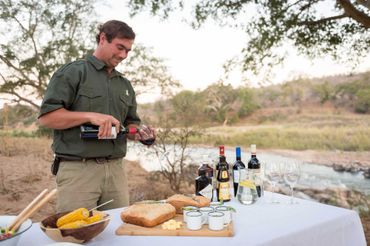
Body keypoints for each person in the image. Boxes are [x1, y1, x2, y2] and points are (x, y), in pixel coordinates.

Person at [38, 20, 155, 213]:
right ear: (102, 39)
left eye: (128, 50)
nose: (123, 55)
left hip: (116, 171)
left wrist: (142, 134)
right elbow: (47, 118)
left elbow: (130, 125)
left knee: (117, 234)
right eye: (120, 47)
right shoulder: (73, 72)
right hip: (78, 171)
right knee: (75, 236)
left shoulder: (125, 85)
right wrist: (90, 116)